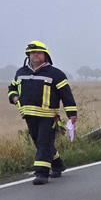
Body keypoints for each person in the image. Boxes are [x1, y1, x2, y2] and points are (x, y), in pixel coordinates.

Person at [8, 41, 77, 186]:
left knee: (44, 143)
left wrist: (72, 113)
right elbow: (12, 88)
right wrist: (14, 98)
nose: (35, 55)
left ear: (46, 55)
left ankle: (41, 174)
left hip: (49, 117)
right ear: (28, 55)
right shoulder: (21, 73)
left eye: (39, 52)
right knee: (40, 143)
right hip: (29, 115)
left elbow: (66, 95)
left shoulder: (56, 74)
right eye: (33, 53)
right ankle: (58, 165)